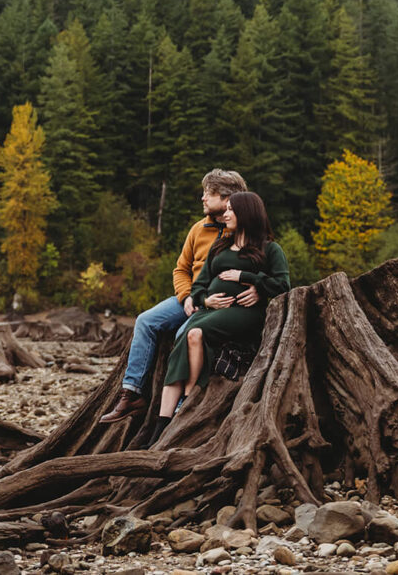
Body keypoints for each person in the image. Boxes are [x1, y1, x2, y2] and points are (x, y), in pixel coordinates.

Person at [97, 169, 248, 424]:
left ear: (226, 198)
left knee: (182, 336)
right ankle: (132, 393)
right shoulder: (199, 229)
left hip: (219, 304)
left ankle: (181, 403)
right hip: (191, 298)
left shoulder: (244, 229)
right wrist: (187, 296)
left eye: (207, 193)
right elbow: (181, 269)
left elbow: (259, 266)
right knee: (145, 320)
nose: (202, 198)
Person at [157, 190, 289, 418]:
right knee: (189, 336)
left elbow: (283, 285)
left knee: (196, 331)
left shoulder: (269, 249)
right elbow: (199, 285)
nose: (226, 215)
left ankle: (187, 403)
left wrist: (246, 277)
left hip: (245, 313)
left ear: (246, 213)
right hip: (211, 310)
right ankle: (167, 416)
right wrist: (206, 299)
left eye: (230, 210)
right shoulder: (219, 247)